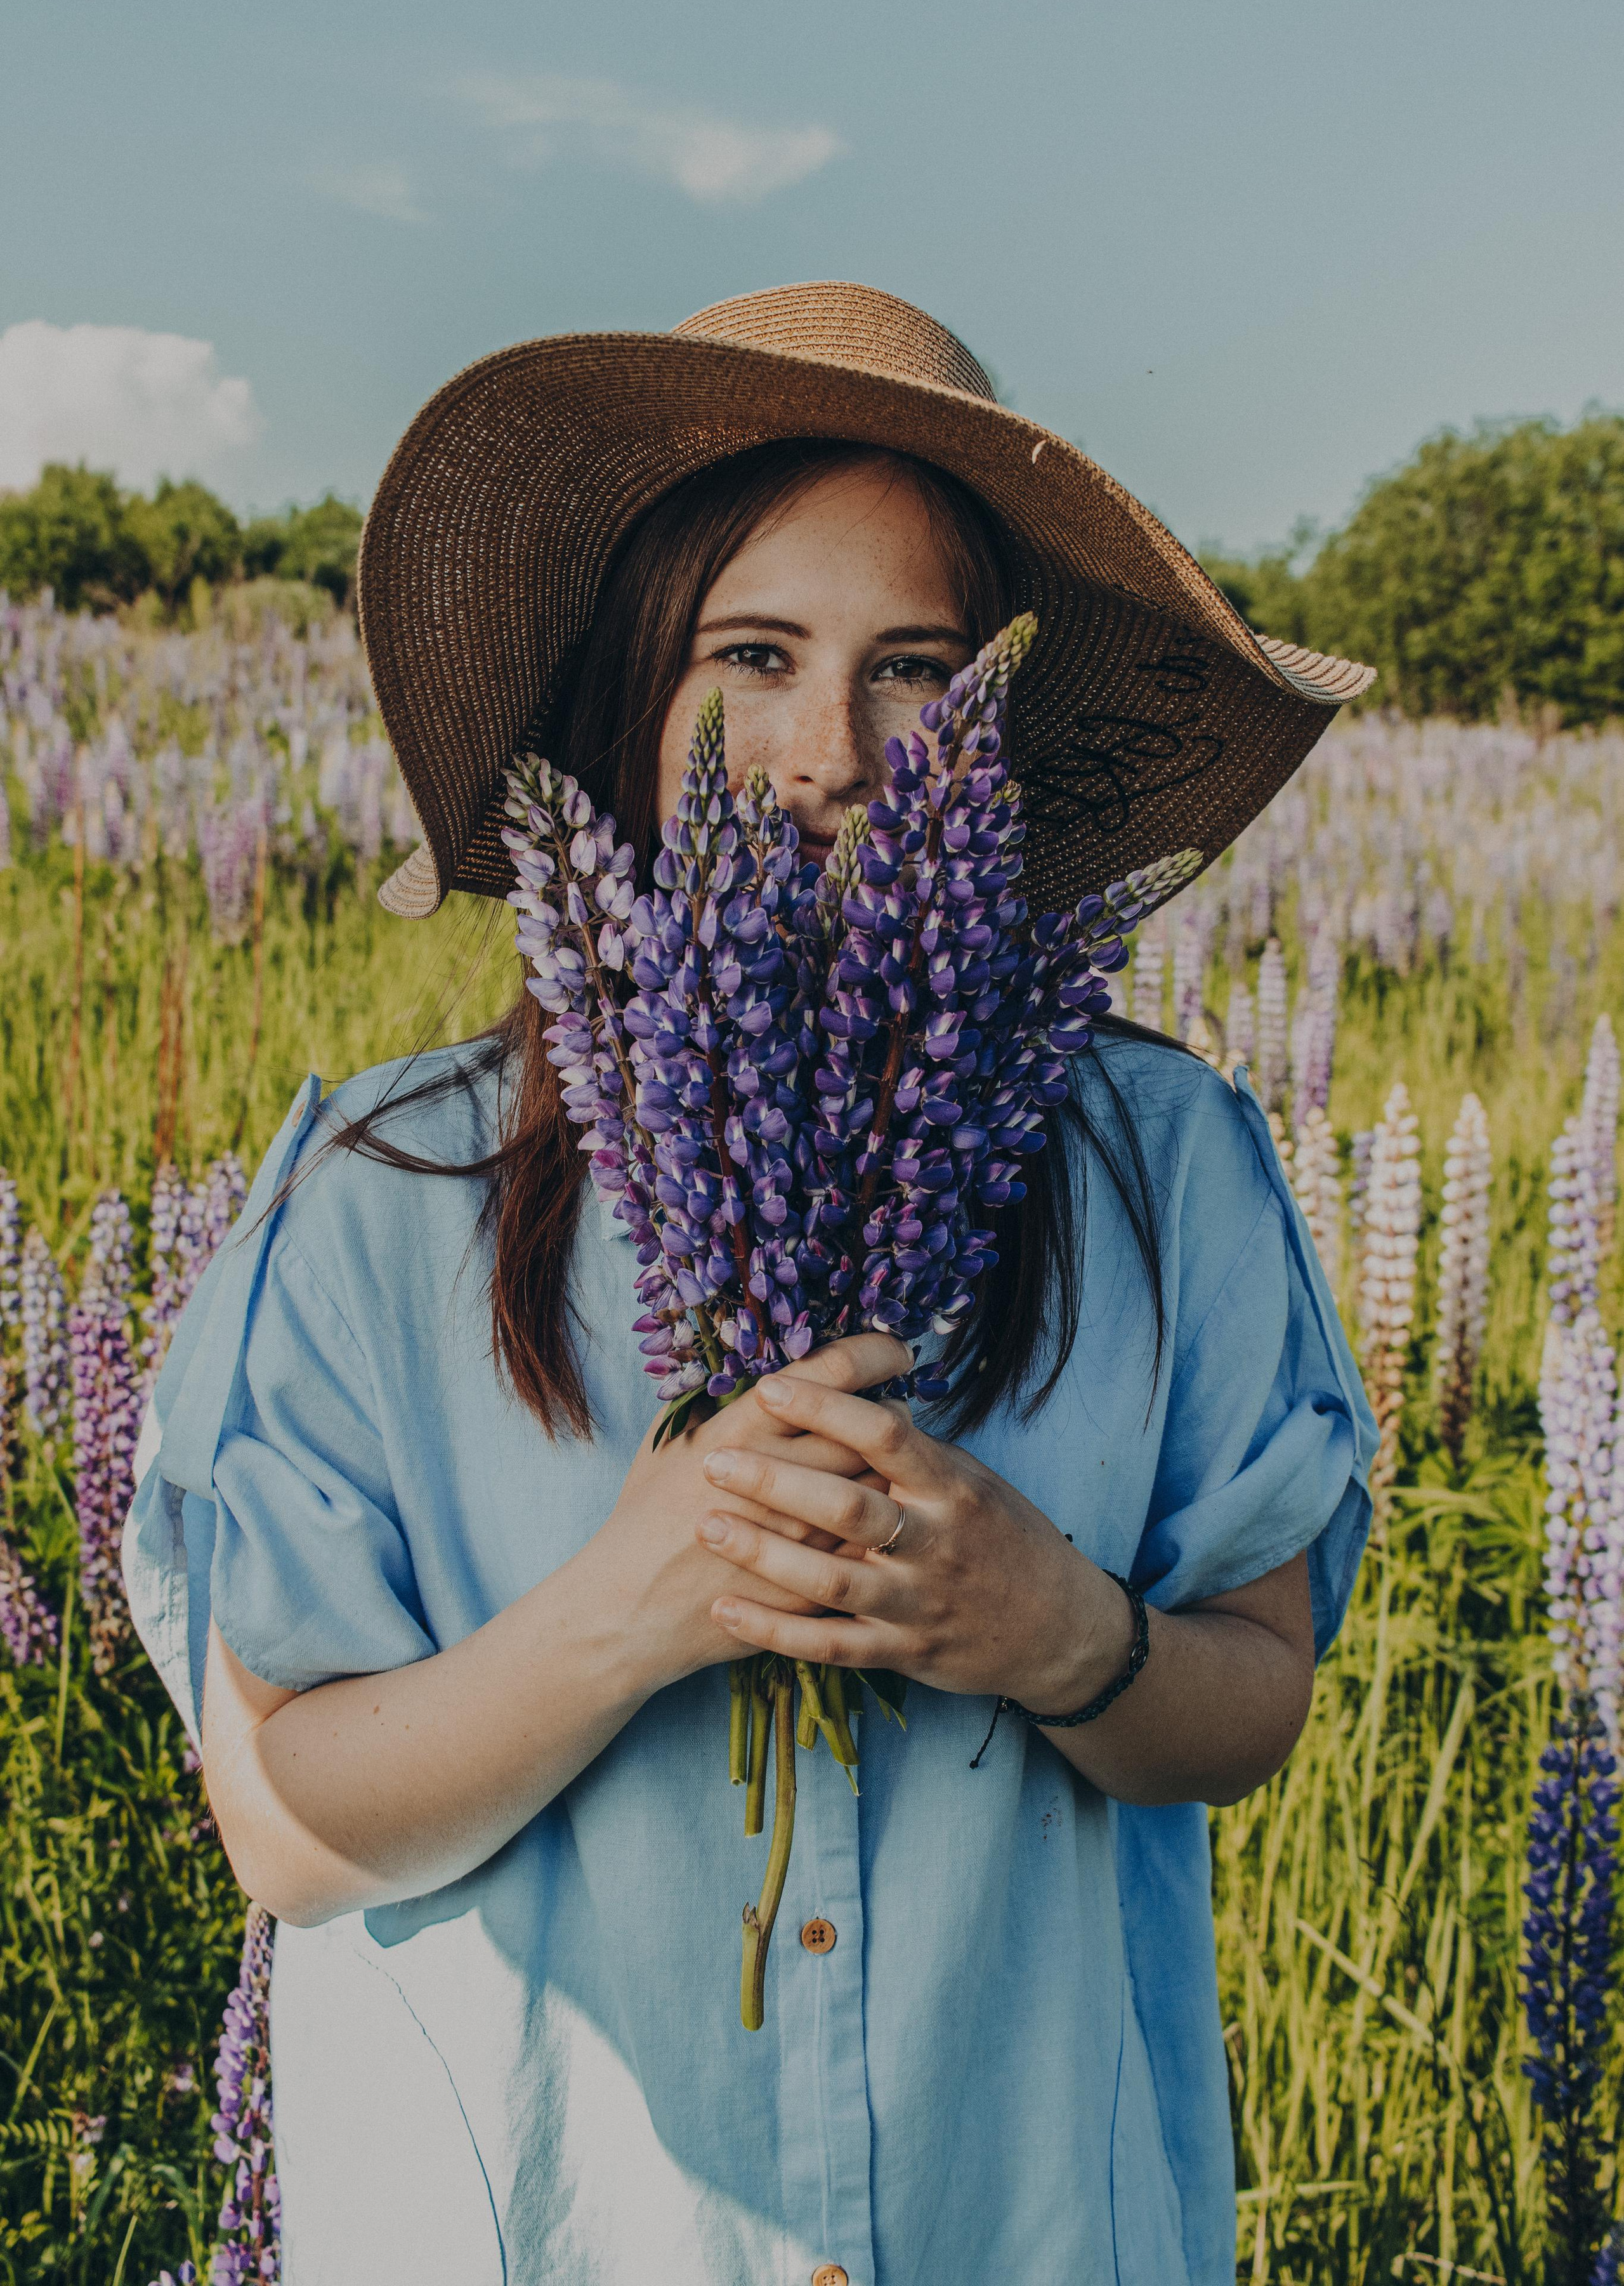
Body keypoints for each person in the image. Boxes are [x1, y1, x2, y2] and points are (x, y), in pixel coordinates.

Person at [125, 282, 1377, 2286]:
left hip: (1021, 2208)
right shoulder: (385, 1191)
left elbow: (1257, 1694)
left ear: (989, 725)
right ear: (636, 694)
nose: (827, 752)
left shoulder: (1164, 1165)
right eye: (753, 653)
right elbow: (282, 1828)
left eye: (914, 669)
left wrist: (1058, 1628)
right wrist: (629, 1609)